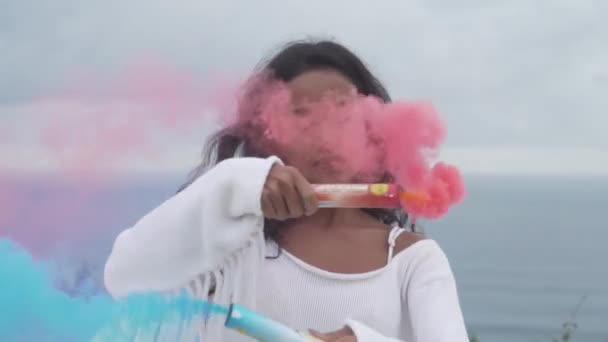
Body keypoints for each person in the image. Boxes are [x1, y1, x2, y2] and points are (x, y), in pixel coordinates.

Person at [103, 39, 469, 342]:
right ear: (264, 134)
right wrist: (233, 185)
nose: (325, 134)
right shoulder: (231, 247)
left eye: (343, 110)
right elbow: (124, 277)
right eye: (302, 114)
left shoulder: (413, 260)